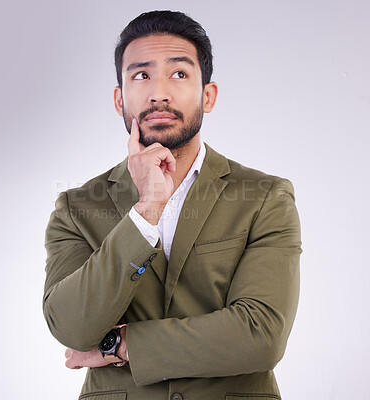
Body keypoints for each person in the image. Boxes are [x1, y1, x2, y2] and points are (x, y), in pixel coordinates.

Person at [43, 10, 302, 400]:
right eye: (141, 75)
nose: (158, 92)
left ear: (207, 95)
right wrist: (146, 209)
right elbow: (71, 326)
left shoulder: (266, 197)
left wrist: (121, 344)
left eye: (179, 74)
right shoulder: (76, 208)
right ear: (119, 99)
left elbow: (261, 334)